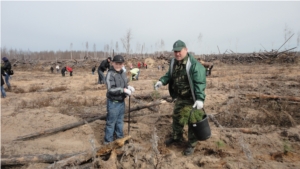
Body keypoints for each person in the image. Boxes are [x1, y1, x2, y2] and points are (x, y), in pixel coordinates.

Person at [154, 40, 206, 156]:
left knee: (192, 121)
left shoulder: (194, 65)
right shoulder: (173, 62)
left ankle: (191, 144)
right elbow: (169, 75)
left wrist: (200, 99)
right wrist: (162, 81)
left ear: (186, 50)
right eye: (175, 51)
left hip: (192, 98)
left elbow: (200, 83)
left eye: (179, 51)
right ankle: (177, 138)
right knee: (177, 118)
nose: (177, 54)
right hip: (180, 97)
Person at [104, 55, 135, 144]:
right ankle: (108, 142)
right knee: (111, 123)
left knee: (120, 121)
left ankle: (119, 138)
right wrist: (123, 90)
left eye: (120, 63)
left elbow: (124, 84)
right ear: (113, 63)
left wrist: (128, 87)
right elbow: (111, 89)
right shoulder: (110, 74)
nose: (118, 65)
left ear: (123, 64)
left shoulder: (123, 73)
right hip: (113, 103)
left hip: (121, 102)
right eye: (116, 63)